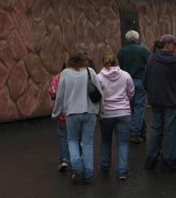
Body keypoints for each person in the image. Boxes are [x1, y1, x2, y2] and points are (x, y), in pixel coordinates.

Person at [52, 50, 104, 184]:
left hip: (72, 113)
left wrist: (56, 113)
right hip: (90, 112)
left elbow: (60, 95)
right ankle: (89, 175)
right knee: (87, 143)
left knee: (72, 140)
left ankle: (77, 166)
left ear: (69, 61)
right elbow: (99, 93)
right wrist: (101, 111)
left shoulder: (65, 74)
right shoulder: (90, 72)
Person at [142, 34, 176, 171]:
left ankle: (150, 160)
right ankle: (170, 161)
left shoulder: (151, 58)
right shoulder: (173, 61)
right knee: (170, 131)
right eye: (174, 44)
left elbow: (145, 80)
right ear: (167, 45)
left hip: (156, 100)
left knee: (156, 130)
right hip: (171, 101)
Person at [97, 52, 135, 180]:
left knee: (106, 141)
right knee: (123, 142)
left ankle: (105, 165)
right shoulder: (125, 75)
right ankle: (122, 171)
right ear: (116, 62)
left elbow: (96, 95)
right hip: (123, 112)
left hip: (106, 113)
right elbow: (131, 92)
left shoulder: (98, 77)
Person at [117, 30, 151, 144]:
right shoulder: (143, 50)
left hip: (127, 80)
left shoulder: (122, 51)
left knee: (131, 107)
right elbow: (150, 64)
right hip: (140, 80)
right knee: (140, 107)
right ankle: (135, 131)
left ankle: (140, 130)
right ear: (137, 38)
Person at [48, 63, 69, 172]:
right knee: (75, 137)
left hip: (62, 113)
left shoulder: (57, 78)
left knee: (63, 137)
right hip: (74, 112)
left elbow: (52, 93)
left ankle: (64, 159)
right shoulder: (75, 76)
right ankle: (79, 158)